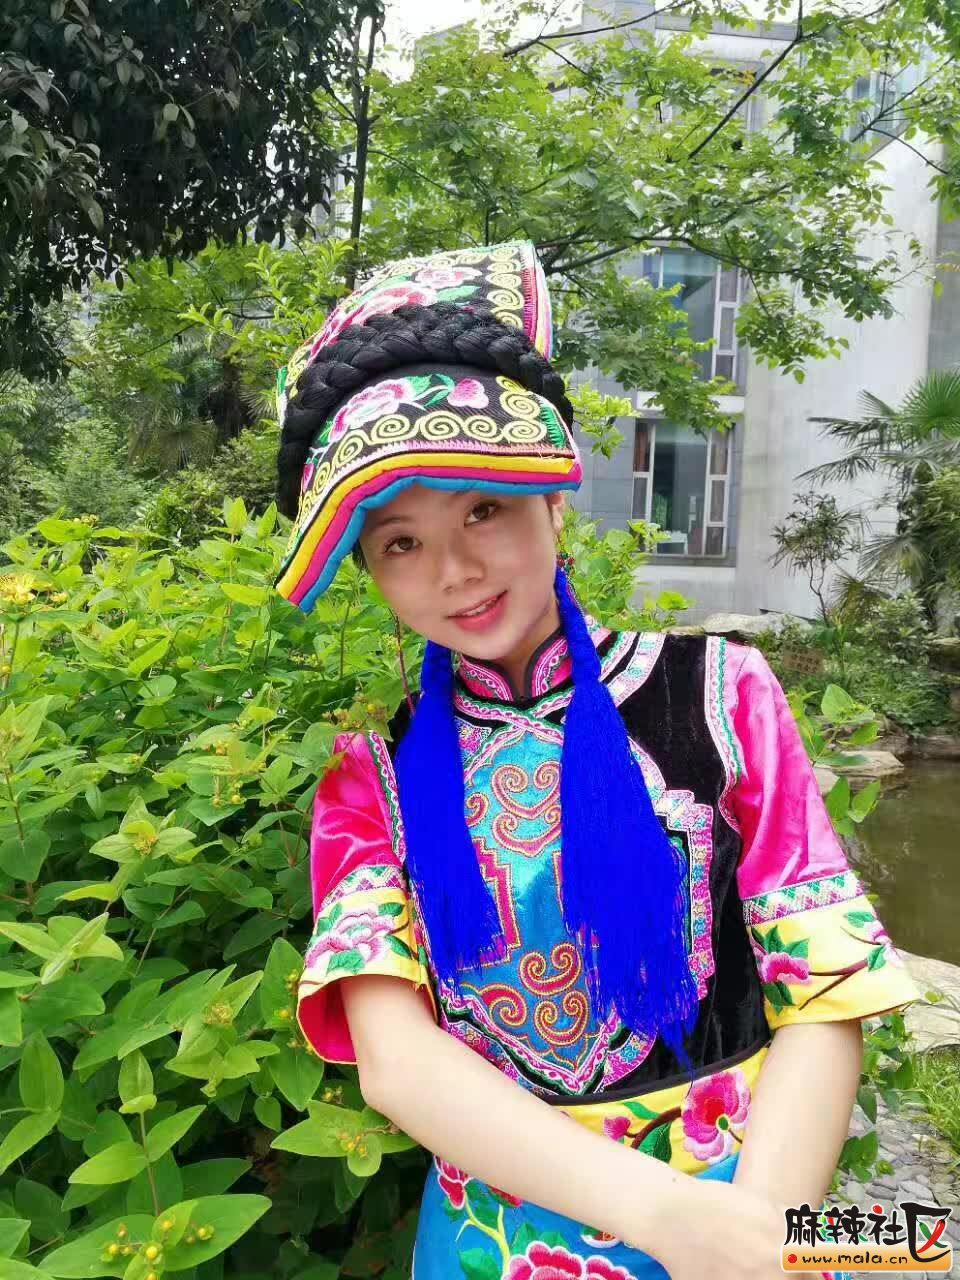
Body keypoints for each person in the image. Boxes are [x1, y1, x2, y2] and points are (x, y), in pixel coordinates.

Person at [273, 240, 919, 1280]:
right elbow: (395, 1061)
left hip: (762, 1198)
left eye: (483, 508)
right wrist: (670, 1218)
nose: (456, 569)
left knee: (917, 1249)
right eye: (400, 542)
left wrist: (758, 1234)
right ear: (371, 571)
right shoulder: (370, 781)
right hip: (499, 1238)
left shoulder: (725, 693)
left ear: (555, 500)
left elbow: (827, 983)